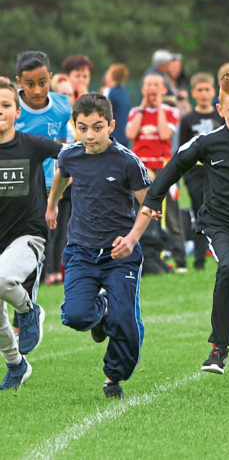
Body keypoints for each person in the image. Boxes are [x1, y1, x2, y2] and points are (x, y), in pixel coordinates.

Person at [129, 71, 229, 374]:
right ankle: (218, 349)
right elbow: (177, 163)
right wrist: (153, 199)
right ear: (220, 110)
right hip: (219, 224)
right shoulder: (208, 142)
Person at [46, 93, 154, 399]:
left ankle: (113, 377)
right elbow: (60, 176)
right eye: (83, 128)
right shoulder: (70, 155)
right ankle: (101, 310)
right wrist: (52, 205)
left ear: (111, 126)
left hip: (120, 256)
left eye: (97, 127)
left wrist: (132, 239)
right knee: (76, 316)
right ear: (75, 127)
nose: (90, 135)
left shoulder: (127, 162)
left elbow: (149, 205)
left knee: (126, 322)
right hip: (80, 250)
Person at [0, 81, 62, 389]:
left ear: (17, 111)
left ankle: (28, 309)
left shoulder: (33, 145)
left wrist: (54, 201)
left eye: (6, 105)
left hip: (29, 235)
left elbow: (71, 157)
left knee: (1, 280)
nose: (0, 111)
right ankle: (17, 365)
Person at [14, 51, 73, 287]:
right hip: (13, 186)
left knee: (34, 249)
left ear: (50, 77)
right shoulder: (10, 105)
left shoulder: (62, 107)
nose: (37, 90)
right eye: (30, 84)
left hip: (46, 187)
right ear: (19, 81)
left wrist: (58, 188)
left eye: (42, 83)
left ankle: (24, 317)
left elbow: (62, 148)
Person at [126, 73, 186, 273]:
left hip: (162, 166)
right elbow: (131, 134)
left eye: (156, 85)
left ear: (163, 89)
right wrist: (143, 108)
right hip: (140, 167)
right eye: (148, 85)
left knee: (171, 213)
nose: (152, 89)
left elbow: (164, 133)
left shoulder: (169, 111)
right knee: (139, 211)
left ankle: (179, 258)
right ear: (143, 89)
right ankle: (145, 254)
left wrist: (158, 106)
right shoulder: (135, 111)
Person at [177, 73, 225, 270]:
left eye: (207, 90)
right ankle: (198, 259)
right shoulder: (188, 119)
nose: (204, 94)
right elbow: (182, 149)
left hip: (217, 173)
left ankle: (222, 254)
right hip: (196, 175)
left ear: (213, 92)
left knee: (220, 214)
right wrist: (187, 176)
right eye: (200, 90)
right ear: (193, 92)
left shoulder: (220, 116)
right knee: (199, 214)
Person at [102, 64, 131, 147]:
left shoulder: (109, 91)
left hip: (112, 136)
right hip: (123, 136)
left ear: (112, 76)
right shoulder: (125, 93)